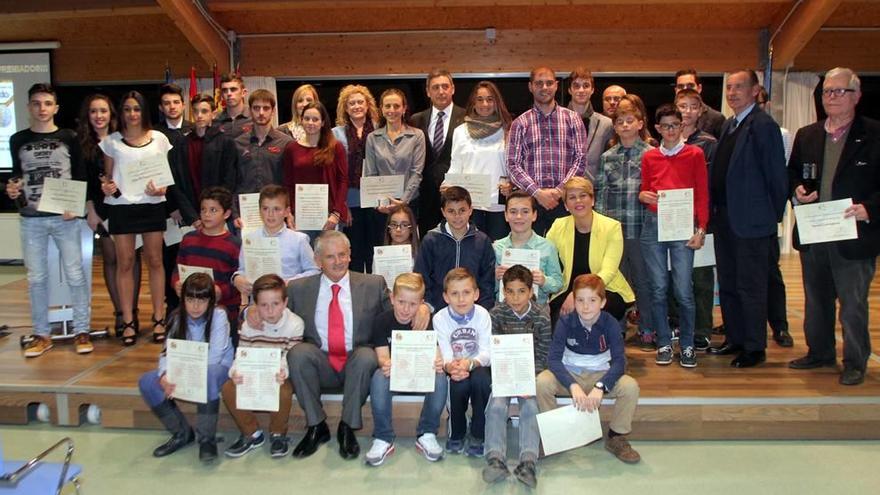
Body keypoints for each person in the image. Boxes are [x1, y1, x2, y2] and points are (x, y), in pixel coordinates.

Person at [281, 230, 431, 460]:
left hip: (357, 363)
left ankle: (347, 427)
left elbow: (398, 311)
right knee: (298, 353)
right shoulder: (299, 288)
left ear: (350, 255)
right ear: (317, 261)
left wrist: (423, 307)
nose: (338, 261)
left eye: (343, 254)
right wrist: (252, 310)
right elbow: (274, 314)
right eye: (330, 257)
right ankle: (316, 425)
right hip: (320, 360)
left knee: (366, 356)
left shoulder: (373, 283)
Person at [788, 67, 880, 385]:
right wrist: (797, 189)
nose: (831, 97)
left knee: (853, 302)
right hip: (815, 231)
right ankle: (820, 352)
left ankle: (855, 361)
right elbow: (794, 173)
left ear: (857, 96)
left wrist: (869, 209)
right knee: (817, 298)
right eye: (827, 91)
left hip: (855, 233)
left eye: (839, 91)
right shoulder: (808, 134)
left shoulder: (874, 134)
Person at [706, 70, 787, 368]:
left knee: (750, 286)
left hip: (752, 222)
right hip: (725, 219)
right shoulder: (730, 124)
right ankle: (736, 338)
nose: (732, 92)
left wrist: (770, 218)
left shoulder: (763, 125)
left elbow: (777, 177)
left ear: (755, 90)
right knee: (728, 282)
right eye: (729, 87)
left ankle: (754, 347)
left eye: (739, 87)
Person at [6, 83, 92, 356]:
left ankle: (81, 330)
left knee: (75, 274)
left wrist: (76, 206)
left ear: (55, 107)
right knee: (36, 278)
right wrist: (12, 189)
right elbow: (16, 176)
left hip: (64, 217)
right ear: (29, 106)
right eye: (36, 103)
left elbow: (79, 174)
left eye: (47, 103)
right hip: (31, 218)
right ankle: (42, 334)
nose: (42, 108)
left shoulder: (69, 136)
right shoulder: (17, 139)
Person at [535, 274, 641, 464]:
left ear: (602, 302)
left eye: (592, 300)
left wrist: (601, 386)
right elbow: (553, 360)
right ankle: (553, 435)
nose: (586, 306)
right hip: (570, 374)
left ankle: (617, 437)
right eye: (580, 300)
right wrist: (572, 385)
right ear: (573, 301)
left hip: (600, 375)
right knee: (542, 381)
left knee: (630, 386)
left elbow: (619, 362)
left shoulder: (610, 324)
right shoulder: (565, 322)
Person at [99, 90, 172, 345]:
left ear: (144, 111)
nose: (132, 114)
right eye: (128, 109)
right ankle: (129, 321)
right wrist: (106, 187)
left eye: (137, 109)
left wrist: (161, 189)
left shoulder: (159, 139)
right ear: (122, 112)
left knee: (155, 261)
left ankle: (159, 318)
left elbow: (165, 177)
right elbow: (107, 178)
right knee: (126, 263)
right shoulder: (111, 142)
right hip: (121, 208)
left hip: (151, 206)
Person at [639, 104, 709, 368]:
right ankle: (664, 342)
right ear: (657, 129)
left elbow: (702, 193)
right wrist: (642, 196)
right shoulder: (649, 157)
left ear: (682, 127)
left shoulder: (694, 154)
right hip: (654, 225)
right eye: (665, 126)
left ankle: (688, 344)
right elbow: (645, 190)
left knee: (683, 290)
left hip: (683, 226)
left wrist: (701, 228)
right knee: (658, 289)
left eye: (675, 125)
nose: (670, 130)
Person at [137, 273, 233, 463]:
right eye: (190, 299)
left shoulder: (219, 316)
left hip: (217, 368)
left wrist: (185, 373)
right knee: (148, 381)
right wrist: (165, 374)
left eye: (201, 300)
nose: (195, 306)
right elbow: (166, 352)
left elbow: (215, 356)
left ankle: (207, 438)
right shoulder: (175, 317)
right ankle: (181, 433)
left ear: (211, 301)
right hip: (186, 368)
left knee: (207, 376)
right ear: (183, 300)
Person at [364, 273, 447, 466]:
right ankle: (383, 437)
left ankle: (427, 433)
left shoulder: (428, 321)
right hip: (394, 375)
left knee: (440, 377)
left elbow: (435, 352)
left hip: (420, 374)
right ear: (392, 298)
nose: (406, 309)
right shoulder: (381, 321)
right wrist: (386, 364)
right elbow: (382, 355)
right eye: (401, 302)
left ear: (421, 304)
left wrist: (437, 361)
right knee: (378, 377)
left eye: (412, 304)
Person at [593, 95, 655, 350]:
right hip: (615, 230)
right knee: (615, 281)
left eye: (631, 121)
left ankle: (648, 328)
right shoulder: (607, 157)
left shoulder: (652, 155)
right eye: (621, 122)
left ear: (640, 123)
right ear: (615, 126)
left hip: (642, 229)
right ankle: (615, 329)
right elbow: (601, 194)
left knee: (643, 281)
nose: (626, 125)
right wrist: (604, 230)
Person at [482, 265, 552, 488]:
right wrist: (504, 378)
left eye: (521, 291)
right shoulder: (496, 314)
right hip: (503, 374)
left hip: (528, 375)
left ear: (531, 291)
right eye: (510, 291)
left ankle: (528, 462)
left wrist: (527, 380)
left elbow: (543, 354)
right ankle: (495, 459)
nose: (515, 297)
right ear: (503, 292)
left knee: (531, 406)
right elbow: (493, 351)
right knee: (496, 405)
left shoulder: (541, 316)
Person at [80, 93, 141, 340]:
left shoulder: (121, 140)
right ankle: (120, 312)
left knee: (132, 259)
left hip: (126, 207)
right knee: (112, 259)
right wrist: (90, 208)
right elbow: (82, 179)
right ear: (88, 115)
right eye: (94, 111)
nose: (99, 116)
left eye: (103, 111)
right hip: (101, 209)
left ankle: (132, 311)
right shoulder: (81, 144)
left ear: (111, 114)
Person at [222, 274, 304, 458]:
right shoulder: (250, 325)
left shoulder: (295, 324)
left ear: (285, 302)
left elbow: (290, 354)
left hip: (279, 374)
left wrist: (283, 371)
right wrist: (235, 371)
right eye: (263, 305)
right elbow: (242, 352)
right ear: (255, 305)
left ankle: (278, 433)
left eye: (275, 304)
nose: (270, 311)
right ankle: (252, 433)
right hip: (253, 373)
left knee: (283, 391)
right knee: (229, 388)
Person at [507, 67, 588, 236]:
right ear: (530, 87)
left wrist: (559, 191)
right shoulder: (519, 123)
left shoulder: (573, 119)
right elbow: (512, 165)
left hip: (564, 201)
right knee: (530, 255)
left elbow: (580, 160)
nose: (544, 87)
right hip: (530, 202)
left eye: (549, 83)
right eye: (539, 83)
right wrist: (537, 192)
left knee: (563, 257)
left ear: (556, 86)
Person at [546, 177, 635, 325]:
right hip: (567, 290)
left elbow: (608, 271)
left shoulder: (612, 227)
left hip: (605, 290)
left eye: (583, 196)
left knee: (586, 311)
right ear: (566, 205)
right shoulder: (558, 225)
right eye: (572, 197)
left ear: (592, 200)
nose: (578, 201)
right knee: (556, 321)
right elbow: (544, 256)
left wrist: (578, 296)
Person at [675, 88, 718, 351]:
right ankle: (679, 325)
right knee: (674, 278)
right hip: (671, 220)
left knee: (701, 278)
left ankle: (702, 330)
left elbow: (709, 186)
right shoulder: (664, 143)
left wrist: (703, 222)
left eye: (692, 106)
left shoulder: (709, 143)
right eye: (682, 106)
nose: (687, 111)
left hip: (699, 218)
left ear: (700, 110)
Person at [433, 267, 492, 457]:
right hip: (456, 367)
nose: (461, 299)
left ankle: (478, 434)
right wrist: (451, 367)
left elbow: (486, 353)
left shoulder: (483, 315)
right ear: (445, 296)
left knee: (481, 381)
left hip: (477, 365)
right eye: (454, 294)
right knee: (457, 384)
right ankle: (457, 432)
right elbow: (445, 352)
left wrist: (470, 364)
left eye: (466, 293)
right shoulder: (440, 318)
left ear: (476, 294)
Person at [443, 80, 512, 240]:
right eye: (480, 99)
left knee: (497, 252)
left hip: (498, 205)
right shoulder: (460, 131)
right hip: (470, 205)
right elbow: (456, 165)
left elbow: (513, 167)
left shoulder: (508, 129)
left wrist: (512, 185)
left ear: (497, 102)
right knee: (473, 253)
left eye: (490, 99)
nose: (485, 104)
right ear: (473, 103)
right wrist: (447, 185)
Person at [170, 187, 241, 333]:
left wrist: (221, 291)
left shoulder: (235, 245)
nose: (207, 214)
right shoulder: (189, 239)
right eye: (203, 210)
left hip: (223, 311)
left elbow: (237, 279)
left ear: (227, 213)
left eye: (213, 210)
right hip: (191, 310)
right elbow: (178, 268)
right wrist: (176, 282)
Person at [414, 186, 496, 312]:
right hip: (437, 310)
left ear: (470, 210)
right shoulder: (431, 240)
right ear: (443, 212)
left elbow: (487, 283)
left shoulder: (483, 241)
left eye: (462, 210)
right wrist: (429, 306)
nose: (457, 216)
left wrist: (482, 310)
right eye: (451, 211)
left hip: (473, 311)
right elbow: (421, 277)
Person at [232, 185, 320, 300]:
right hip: (259, 303)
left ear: (286, 212)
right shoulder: (250, 239)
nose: (270, 214)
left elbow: (314, 271)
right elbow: (243, 269)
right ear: (259, 210)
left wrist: (289, 282)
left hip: (289, 300)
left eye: (276, 209)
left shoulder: (299, 239)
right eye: (265, 208)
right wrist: (237, 278)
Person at [363, 89, 425, 250]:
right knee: (383, 249)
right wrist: (378, 203)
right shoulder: (372, 138)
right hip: (382, 207)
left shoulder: (417, 136)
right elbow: (371, 174)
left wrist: (403, 202)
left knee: (409, 249)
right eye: (387, 106)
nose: (392, 110)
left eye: (396, 106)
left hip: (409, 202)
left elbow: (417, 173)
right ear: (381, 109)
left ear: (404, 109)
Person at [756, 86, 794, 347]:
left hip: (766, 217)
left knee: (771, 273)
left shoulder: (781, 134)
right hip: (737, 218)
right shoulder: (730, 129)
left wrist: (775, 214)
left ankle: (779, 325)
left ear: (766, 104)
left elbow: (783, 175)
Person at [410, 69, 466, 236]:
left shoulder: (467, 117)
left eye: (445, 86)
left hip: (457, 196)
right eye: (435, 87)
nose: (441, 91)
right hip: (425, 196)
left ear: (453, 89)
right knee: (429, 243)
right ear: (428, 91)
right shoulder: (415, 120)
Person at [156, 83, 196, 316]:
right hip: (169, 211)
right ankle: (172, 307)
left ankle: (194, 304)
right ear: (161, 107)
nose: (172, 107)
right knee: (170, 260)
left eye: (176, 102)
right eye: (167, 103)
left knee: (193, 257)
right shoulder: (154, 134)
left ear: (183, 104)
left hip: (193, 207)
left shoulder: (193, 130)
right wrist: (173, 207)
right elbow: (160, 174)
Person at [282, 100, 348, 242]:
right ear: (301, 120)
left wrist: (336, 213)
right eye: (307, 118)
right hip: (300, 216)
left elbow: (342, 182)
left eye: (315, 119)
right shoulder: (291, 149)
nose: (310, 123)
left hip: (328, 217)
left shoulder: (336, 147)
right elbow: (287, 184)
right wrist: (289, 213)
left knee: (328, 259)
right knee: (304, 260)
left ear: (323, 122)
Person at [332, 84, 381, 272]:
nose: (356, 106)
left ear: (368, 105)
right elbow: (335, 174)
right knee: (356, 252)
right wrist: (342, 205)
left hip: (376, 199)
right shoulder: (335, 134)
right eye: (351, 103)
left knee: (375, 249)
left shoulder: (380, 130)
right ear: (345, 107)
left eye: (360, 102)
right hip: (350, 201)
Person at [492, 191, 563, 305]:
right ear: (506, 215)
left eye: (525, 211)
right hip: (503, 313)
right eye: (513, 212)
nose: (519, 217)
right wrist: (495, 278)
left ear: (534, 215)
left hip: (537, 312)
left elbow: (558, 284)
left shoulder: (547, 247)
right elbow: (487, 287)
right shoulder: (496, 248)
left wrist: (544, 281)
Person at [232, 90, 294, 210]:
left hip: (276, 211)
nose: (261, 113)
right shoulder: (238, 143)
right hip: (246, 213)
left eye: (266, 108)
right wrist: (234, 213)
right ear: (250, 110)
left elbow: (290, 182)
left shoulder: (286, 143)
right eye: (256, 108)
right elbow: (232, 183)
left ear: (273, 111)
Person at [186, 93, 238, 201]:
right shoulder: (183, 143)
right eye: (195, 111)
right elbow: (180, 179)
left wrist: (218, 206)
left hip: (217, 206)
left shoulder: (226, 142)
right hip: (190, 208)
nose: (199, 115)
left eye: (204, 111)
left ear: (213, 114)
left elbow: (229, 179)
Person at [567, 68, 614, 181]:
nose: (581, 90)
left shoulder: (607, 124)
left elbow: (610, 163)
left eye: (586, 85)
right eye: (576, 86)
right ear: (570, 90)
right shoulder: (557, 121)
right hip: (564, 191)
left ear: (592, 90)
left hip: (594, 190)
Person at [673, 69, 725, 138]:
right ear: (676, 90)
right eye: (681, 87)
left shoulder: (716, 118)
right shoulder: (670, 115)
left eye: (690, 86)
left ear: (699, 88)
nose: (685, 89)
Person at [216, 73, 253, 138]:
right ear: (221, 95)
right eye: (225, 90)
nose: (229, 93)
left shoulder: (255, 117)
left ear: (243, 93)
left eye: (233, 89)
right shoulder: (216, 119)